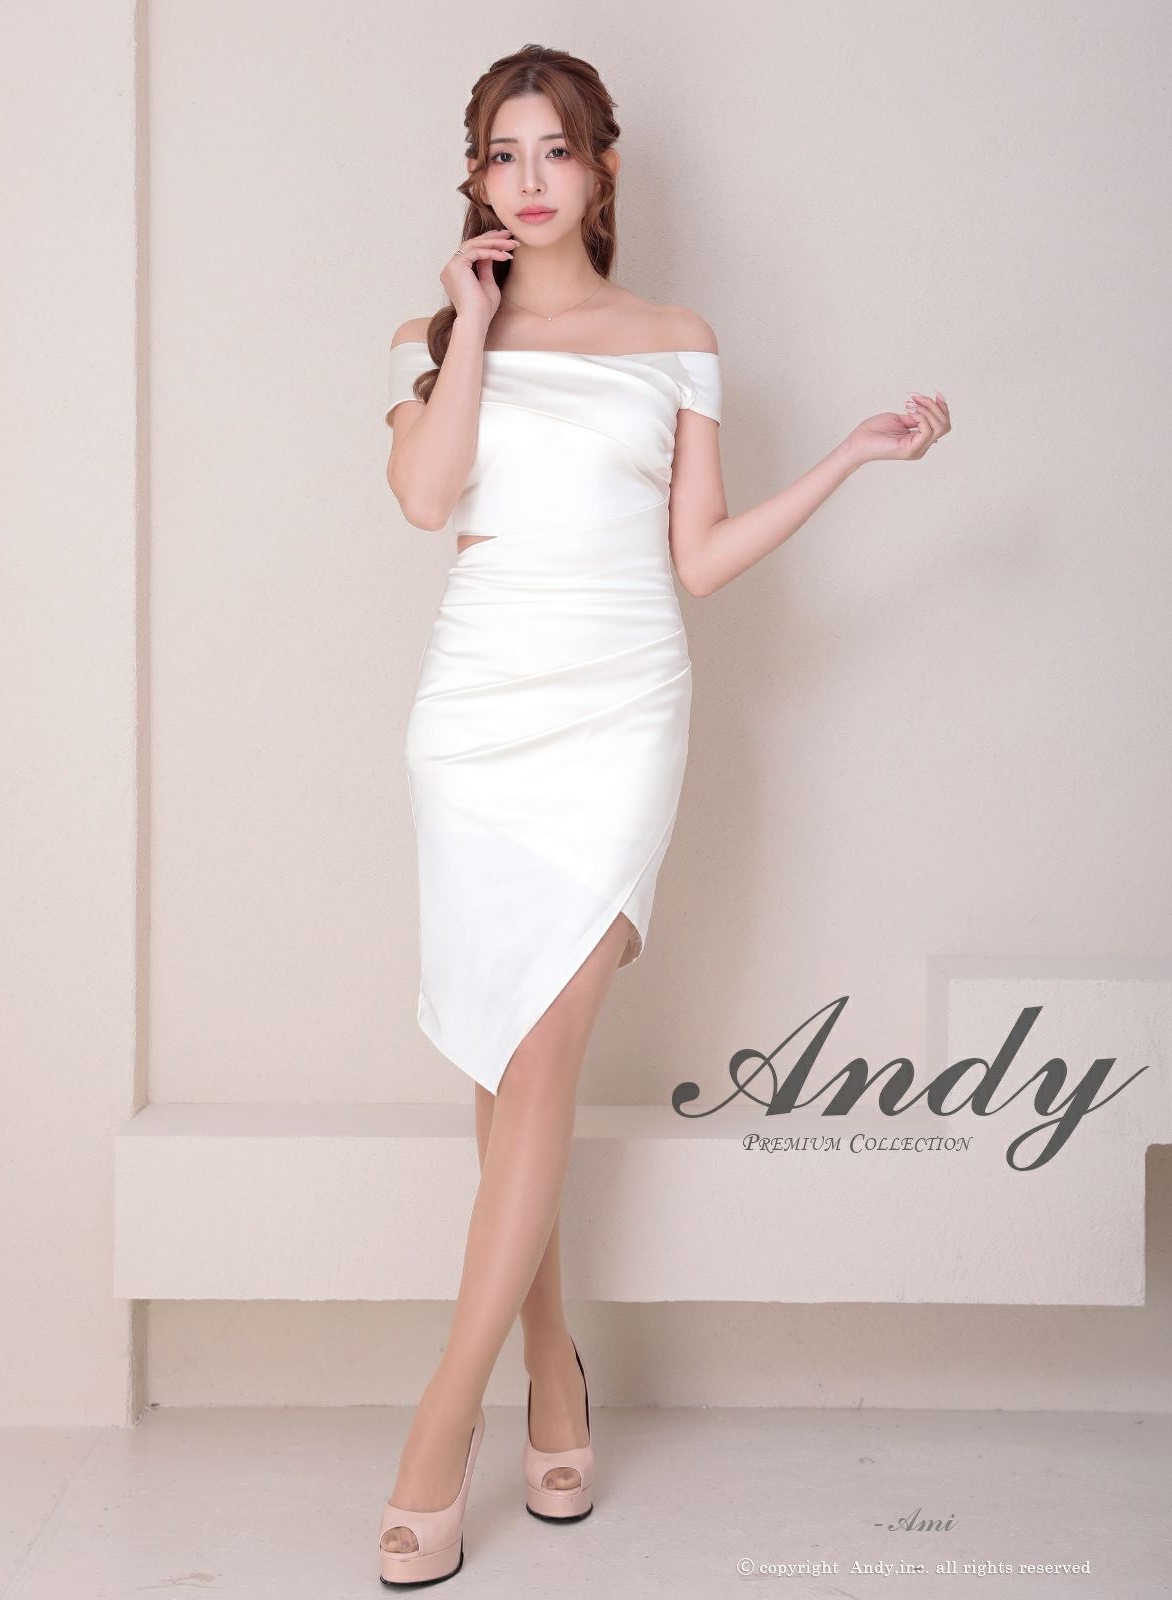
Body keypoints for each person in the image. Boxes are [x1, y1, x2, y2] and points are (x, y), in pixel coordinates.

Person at [379, 43, 951, 1588]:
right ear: (477, 179)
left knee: (544, 1052)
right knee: (505, 1061)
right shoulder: (444, 342)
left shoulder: (676, 341)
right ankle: (550, 1371)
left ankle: (440, 1428)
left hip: (622, 711)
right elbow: (428, 500)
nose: (532, 179)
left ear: (602, 171)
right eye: (505, 155)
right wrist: (474, 327)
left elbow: (695, 558)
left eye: (557, 151)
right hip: (475, 726)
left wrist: (849, 457)